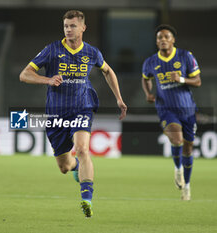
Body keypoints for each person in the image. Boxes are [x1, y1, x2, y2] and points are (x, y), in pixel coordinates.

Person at [19, 10, 127, 217]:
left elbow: (108, 71)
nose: (68, 30)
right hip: (56, 114)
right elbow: (24, 74)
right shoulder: (52, 50)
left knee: (82, 149)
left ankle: (87, 199)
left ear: (83, 28)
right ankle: (75, 166)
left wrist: (119, 99)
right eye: (66, 26)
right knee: (64, 166)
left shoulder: (92, 52)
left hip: (82, 107)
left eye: (73, 26)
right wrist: (47, 80)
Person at [141, 24, 201, 201]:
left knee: (188, 149)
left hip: (187, 109)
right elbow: (145, 79)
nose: (163, 40)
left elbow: (197, 81)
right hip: (166, 109)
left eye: (166, 37)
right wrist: (148, 93)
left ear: (173, 39)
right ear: (157, 41)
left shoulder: (185, 56)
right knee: (176, 139)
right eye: (160, 37)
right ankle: (177, 168)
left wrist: (181, 79)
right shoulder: (150, 62)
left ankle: (187, 187)